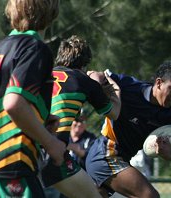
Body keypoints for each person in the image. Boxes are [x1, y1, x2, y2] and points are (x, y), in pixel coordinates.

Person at [0, 0, 65, 197]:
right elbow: (13, 104)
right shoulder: (35, 49)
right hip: (11, 163)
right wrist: (51, 143)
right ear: (51, 10)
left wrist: (36, 120)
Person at [86, 61, 171, 198]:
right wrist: (101, 88)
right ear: (159, 83)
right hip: (105, 153)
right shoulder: (128, 86)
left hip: (122, 159)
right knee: (149, 196)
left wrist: (169, 155)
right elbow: (93, 74)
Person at [41, 35, 121, 198]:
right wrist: (114, 87)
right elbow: (114, 112)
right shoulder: (84, 81)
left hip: (26, 146)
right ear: (84, 64)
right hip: (54, 153)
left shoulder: (43, 73)